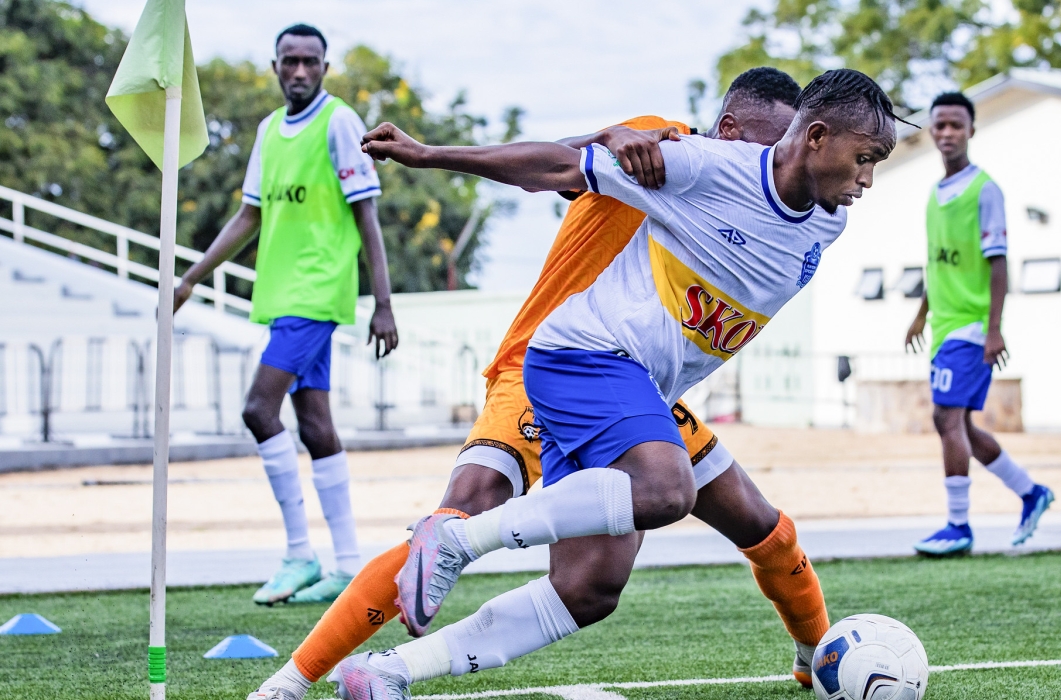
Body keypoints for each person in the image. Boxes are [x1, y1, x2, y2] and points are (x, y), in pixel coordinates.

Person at [247, 67, 829, 700]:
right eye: (769, 144)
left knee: (731, 539)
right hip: (550, 362)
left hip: (638, 386)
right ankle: (289, 684)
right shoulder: (662, 146)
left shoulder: (781, 206)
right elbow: (554, 162)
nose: (778, 163)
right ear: (729, 130)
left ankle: (819, 658)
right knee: (461, 513)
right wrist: (436, 154)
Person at [174, 24, 399, 604]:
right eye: (290, 61)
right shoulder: (269, 129)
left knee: (257, 409)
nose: (300, 71)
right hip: (282, 296)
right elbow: (248, 216)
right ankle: (345, 566)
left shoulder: (340, 122)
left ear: (324, 68)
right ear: (275, 67)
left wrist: (383, 303)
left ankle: (300, 554)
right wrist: (190, 278)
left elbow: (367, 215)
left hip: (316, 293)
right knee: (315, 426)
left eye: (310, 62)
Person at [904, 92, 1054, 557]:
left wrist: (994, 328)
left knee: (945, 418)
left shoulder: (984, 190)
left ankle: (958, 526)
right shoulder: (935, 194)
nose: (947, 132)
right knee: (960, 426)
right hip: (944, 325)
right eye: (940, 125)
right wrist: (921, 314)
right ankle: (1031, 492)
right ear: (931, 130)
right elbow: (937, 264)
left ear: (972, 129)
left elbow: (998, 262)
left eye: (956, 125)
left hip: (970, 325)